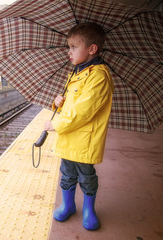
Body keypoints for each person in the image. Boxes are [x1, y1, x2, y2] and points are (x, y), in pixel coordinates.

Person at [43, 22, 114, 231]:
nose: (69, 52)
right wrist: (58, 102)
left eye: (73, 47)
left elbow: (83, 111)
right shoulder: (75, 73)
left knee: (86, 176)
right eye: (69, 47)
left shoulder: (99, 76)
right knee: (67, 174)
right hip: (68, 139)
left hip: (84, 141)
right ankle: (68, 205)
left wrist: (54, 124)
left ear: (92, 49)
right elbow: (72, 104)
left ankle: (88, 210)